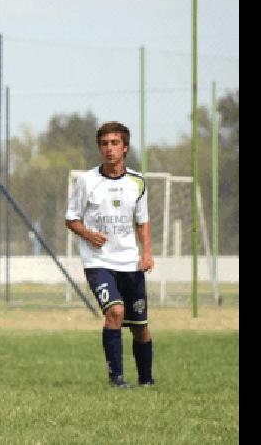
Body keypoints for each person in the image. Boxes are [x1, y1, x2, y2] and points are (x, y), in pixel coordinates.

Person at [64, 121, 156, 389]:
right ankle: (116, 378)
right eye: (104, 144)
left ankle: (146, 380)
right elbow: (71, 219)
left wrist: (147, 253)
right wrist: (88, 234)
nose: (109, 149)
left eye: (114, 143)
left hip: (130, 262)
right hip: (98, 262)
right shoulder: (87, 181)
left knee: (140, 326)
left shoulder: (137, 182)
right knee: (115, 312)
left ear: (125, 148)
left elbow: (143, 221)